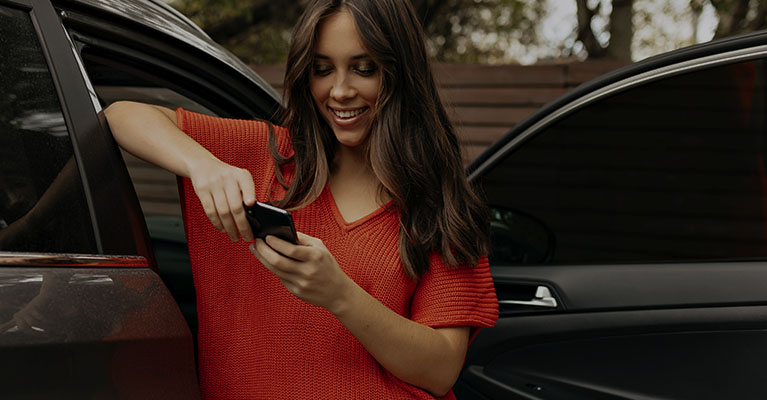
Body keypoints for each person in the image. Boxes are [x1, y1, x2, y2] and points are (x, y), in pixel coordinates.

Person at [104, 0, 498, 398]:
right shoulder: (270, 155)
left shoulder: (439, 204)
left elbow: (442, 369)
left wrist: (339, 294)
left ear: (401, 72)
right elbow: (122, 115)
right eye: (322, 69)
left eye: (365, 69)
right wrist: (202, 164)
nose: (340, 91)